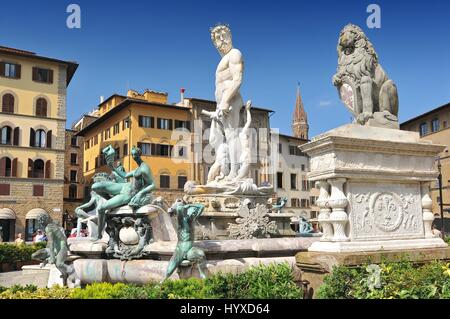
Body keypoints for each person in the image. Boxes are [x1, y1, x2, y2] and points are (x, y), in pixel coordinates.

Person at [210, 24, 244, 180]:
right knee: (213, 137)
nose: (222, 40)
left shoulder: (235, 54)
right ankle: (224, 168)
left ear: (230, 36)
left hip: (230, 100)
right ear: (214, 43)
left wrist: (225, 101)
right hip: (221, 104)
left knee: (232, 135)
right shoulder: (223, 59)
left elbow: (237, 80)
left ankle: (234, 172)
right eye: (218, 38)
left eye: (224, 36)